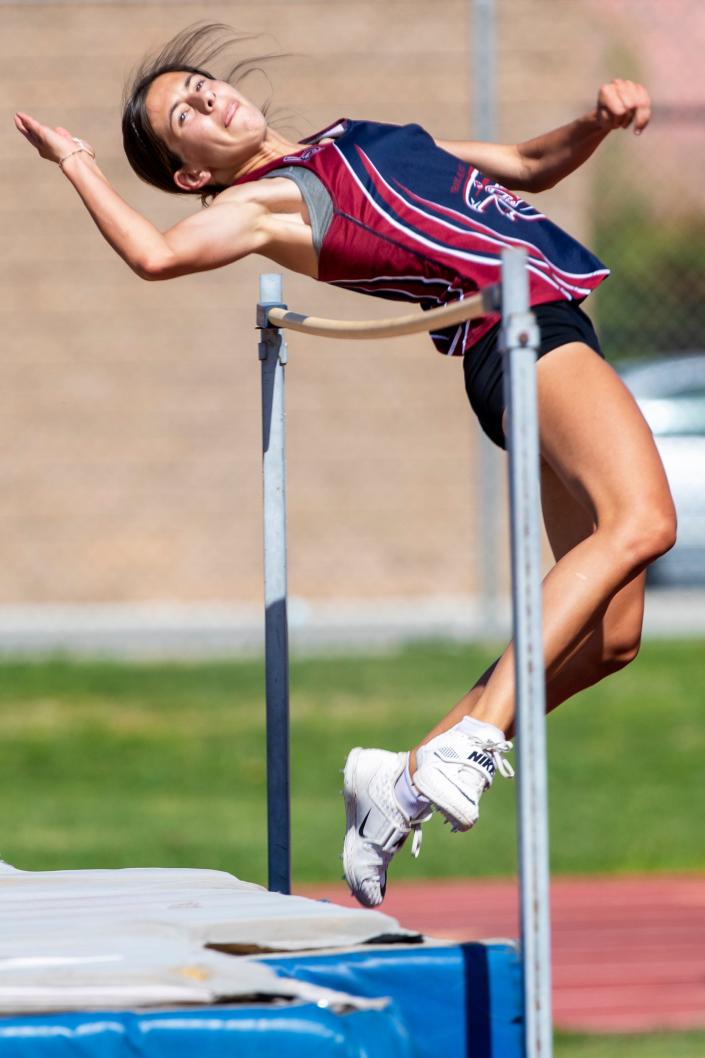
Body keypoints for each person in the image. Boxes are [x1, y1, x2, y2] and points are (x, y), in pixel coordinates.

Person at [15, 25, 676, 908]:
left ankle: (397, 783)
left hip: (547, 331)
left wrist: (593, 123)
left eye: (201, 85)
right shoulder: (263, 203)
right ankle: (473, 739)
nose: (209, 98)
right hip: (514, 338)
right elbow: (156, 256)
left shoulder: (366, 137)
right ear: (190, 173)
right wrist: (79, 164)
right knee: (644, 524)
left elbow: (522, 163)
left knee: (612, 640)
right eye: (186, 114)